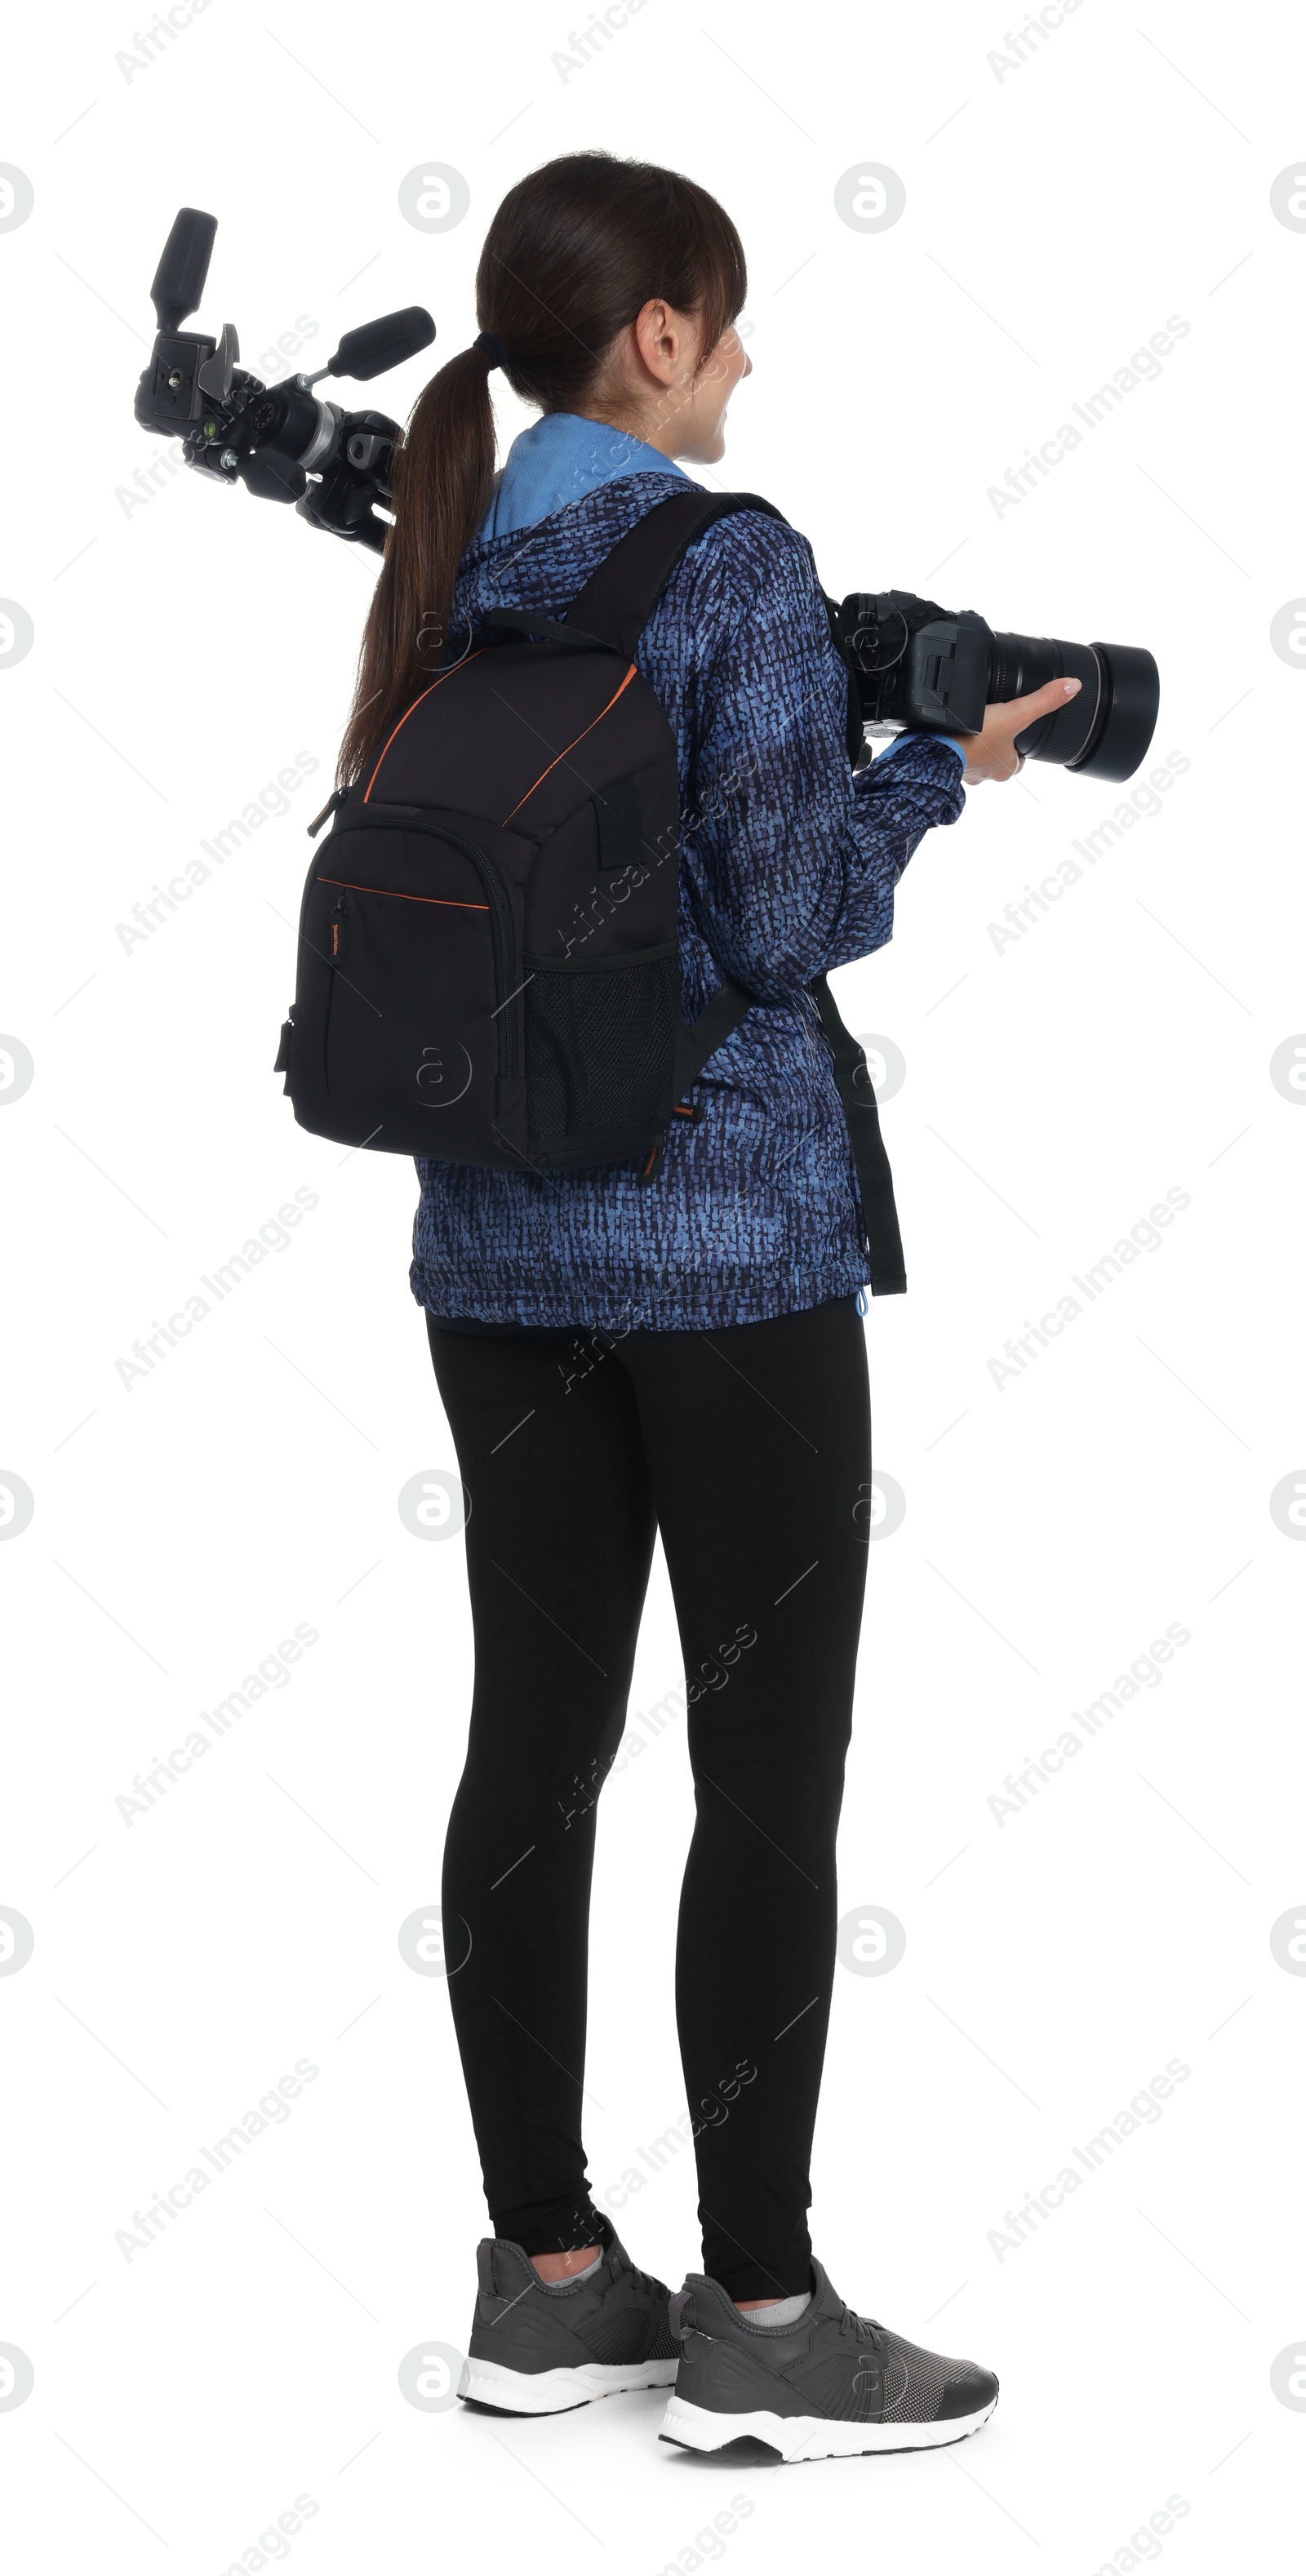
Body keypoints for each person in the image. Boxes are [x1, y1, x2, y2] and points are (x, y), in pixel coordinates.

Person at [339, 151, 1079, 2462]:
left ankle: (549, 2276)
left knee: (532, 1746)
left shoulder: (461, 551)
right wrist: (933, 780)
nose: (745, 359)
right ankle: (759, 2307)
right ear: (651, 332)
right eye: (727, 321)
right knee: (766, 1766)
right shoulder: (726, 563)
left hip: (493, 1246)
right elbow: (782, 924)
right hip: (729, 1259)